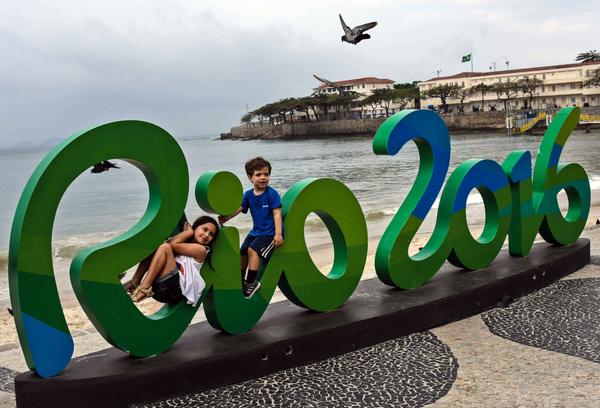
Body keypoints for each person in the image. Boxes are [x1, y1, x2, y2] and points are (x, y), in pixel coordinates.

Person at [218, 157, 284, 298]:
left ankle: (251, 281)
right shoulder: (248, 195)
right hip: (256, 232)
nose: (263, 178)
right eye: (258, 174)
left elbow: (277, 214)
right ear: (250, 178)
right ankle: (240, 279)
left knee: (252, 250)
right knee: (243, 251)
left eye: (266, 174)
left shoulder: (271, 194)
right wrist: (227, 217)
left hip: (269, 233)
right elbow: (240, 208)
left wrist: (278, 234)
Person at [124, 216, 219, 306]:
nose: (207, 235)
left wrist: (189, 232)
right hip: (162, 286)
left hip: (173, 290)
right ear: (196, 227)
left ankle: (144, 288)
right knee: (155, 246)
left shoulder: (202, 250)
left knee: (165, 247)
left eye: (211, 234)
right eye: (205, 229)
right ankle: (135, 282)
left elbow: (171, 245)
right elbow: (170, 244)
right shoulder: (186, 243)